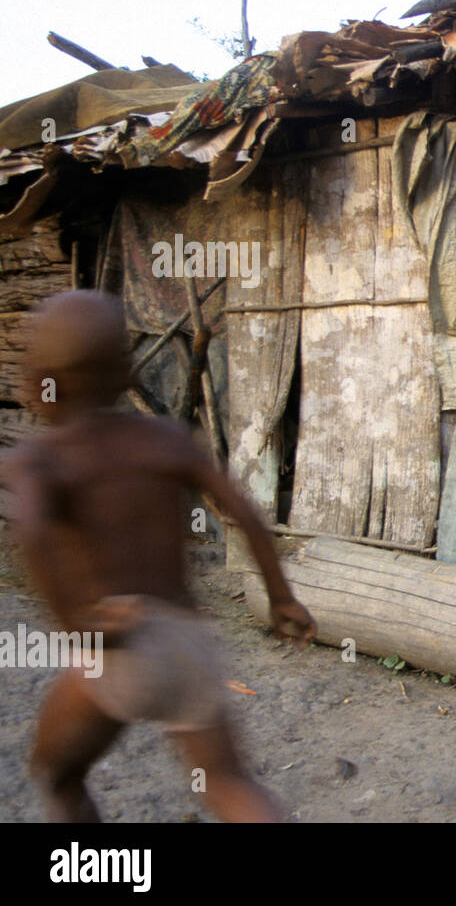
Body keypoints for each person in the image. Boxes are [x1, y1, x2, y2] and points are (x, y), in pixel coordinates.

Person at [3, 291, 316, 821]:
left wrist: (78, 623)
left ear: (40, 383)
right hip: (187, 642)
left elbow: (31, 528)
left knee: (57, 773)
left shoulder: (40, 461)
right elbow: (244, 510)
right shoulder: (165, 440)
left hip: (117, 644)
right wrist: (282, 599)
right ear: (125, 373)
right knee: (225, 782)